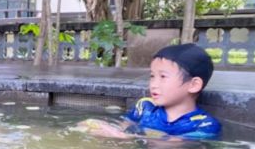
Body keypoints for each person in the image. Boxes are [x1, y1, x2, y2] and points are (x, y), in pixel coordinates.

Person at [81, 43, 221, 140]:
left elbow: (178, 145)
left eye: (163, 77)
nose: (153, 84)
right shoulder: (145, 107)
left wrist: (127, 137)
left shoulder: (204, 124)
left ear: (193, 85)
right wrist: (108, 129)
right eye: (152, 76)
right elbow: (126, 125)